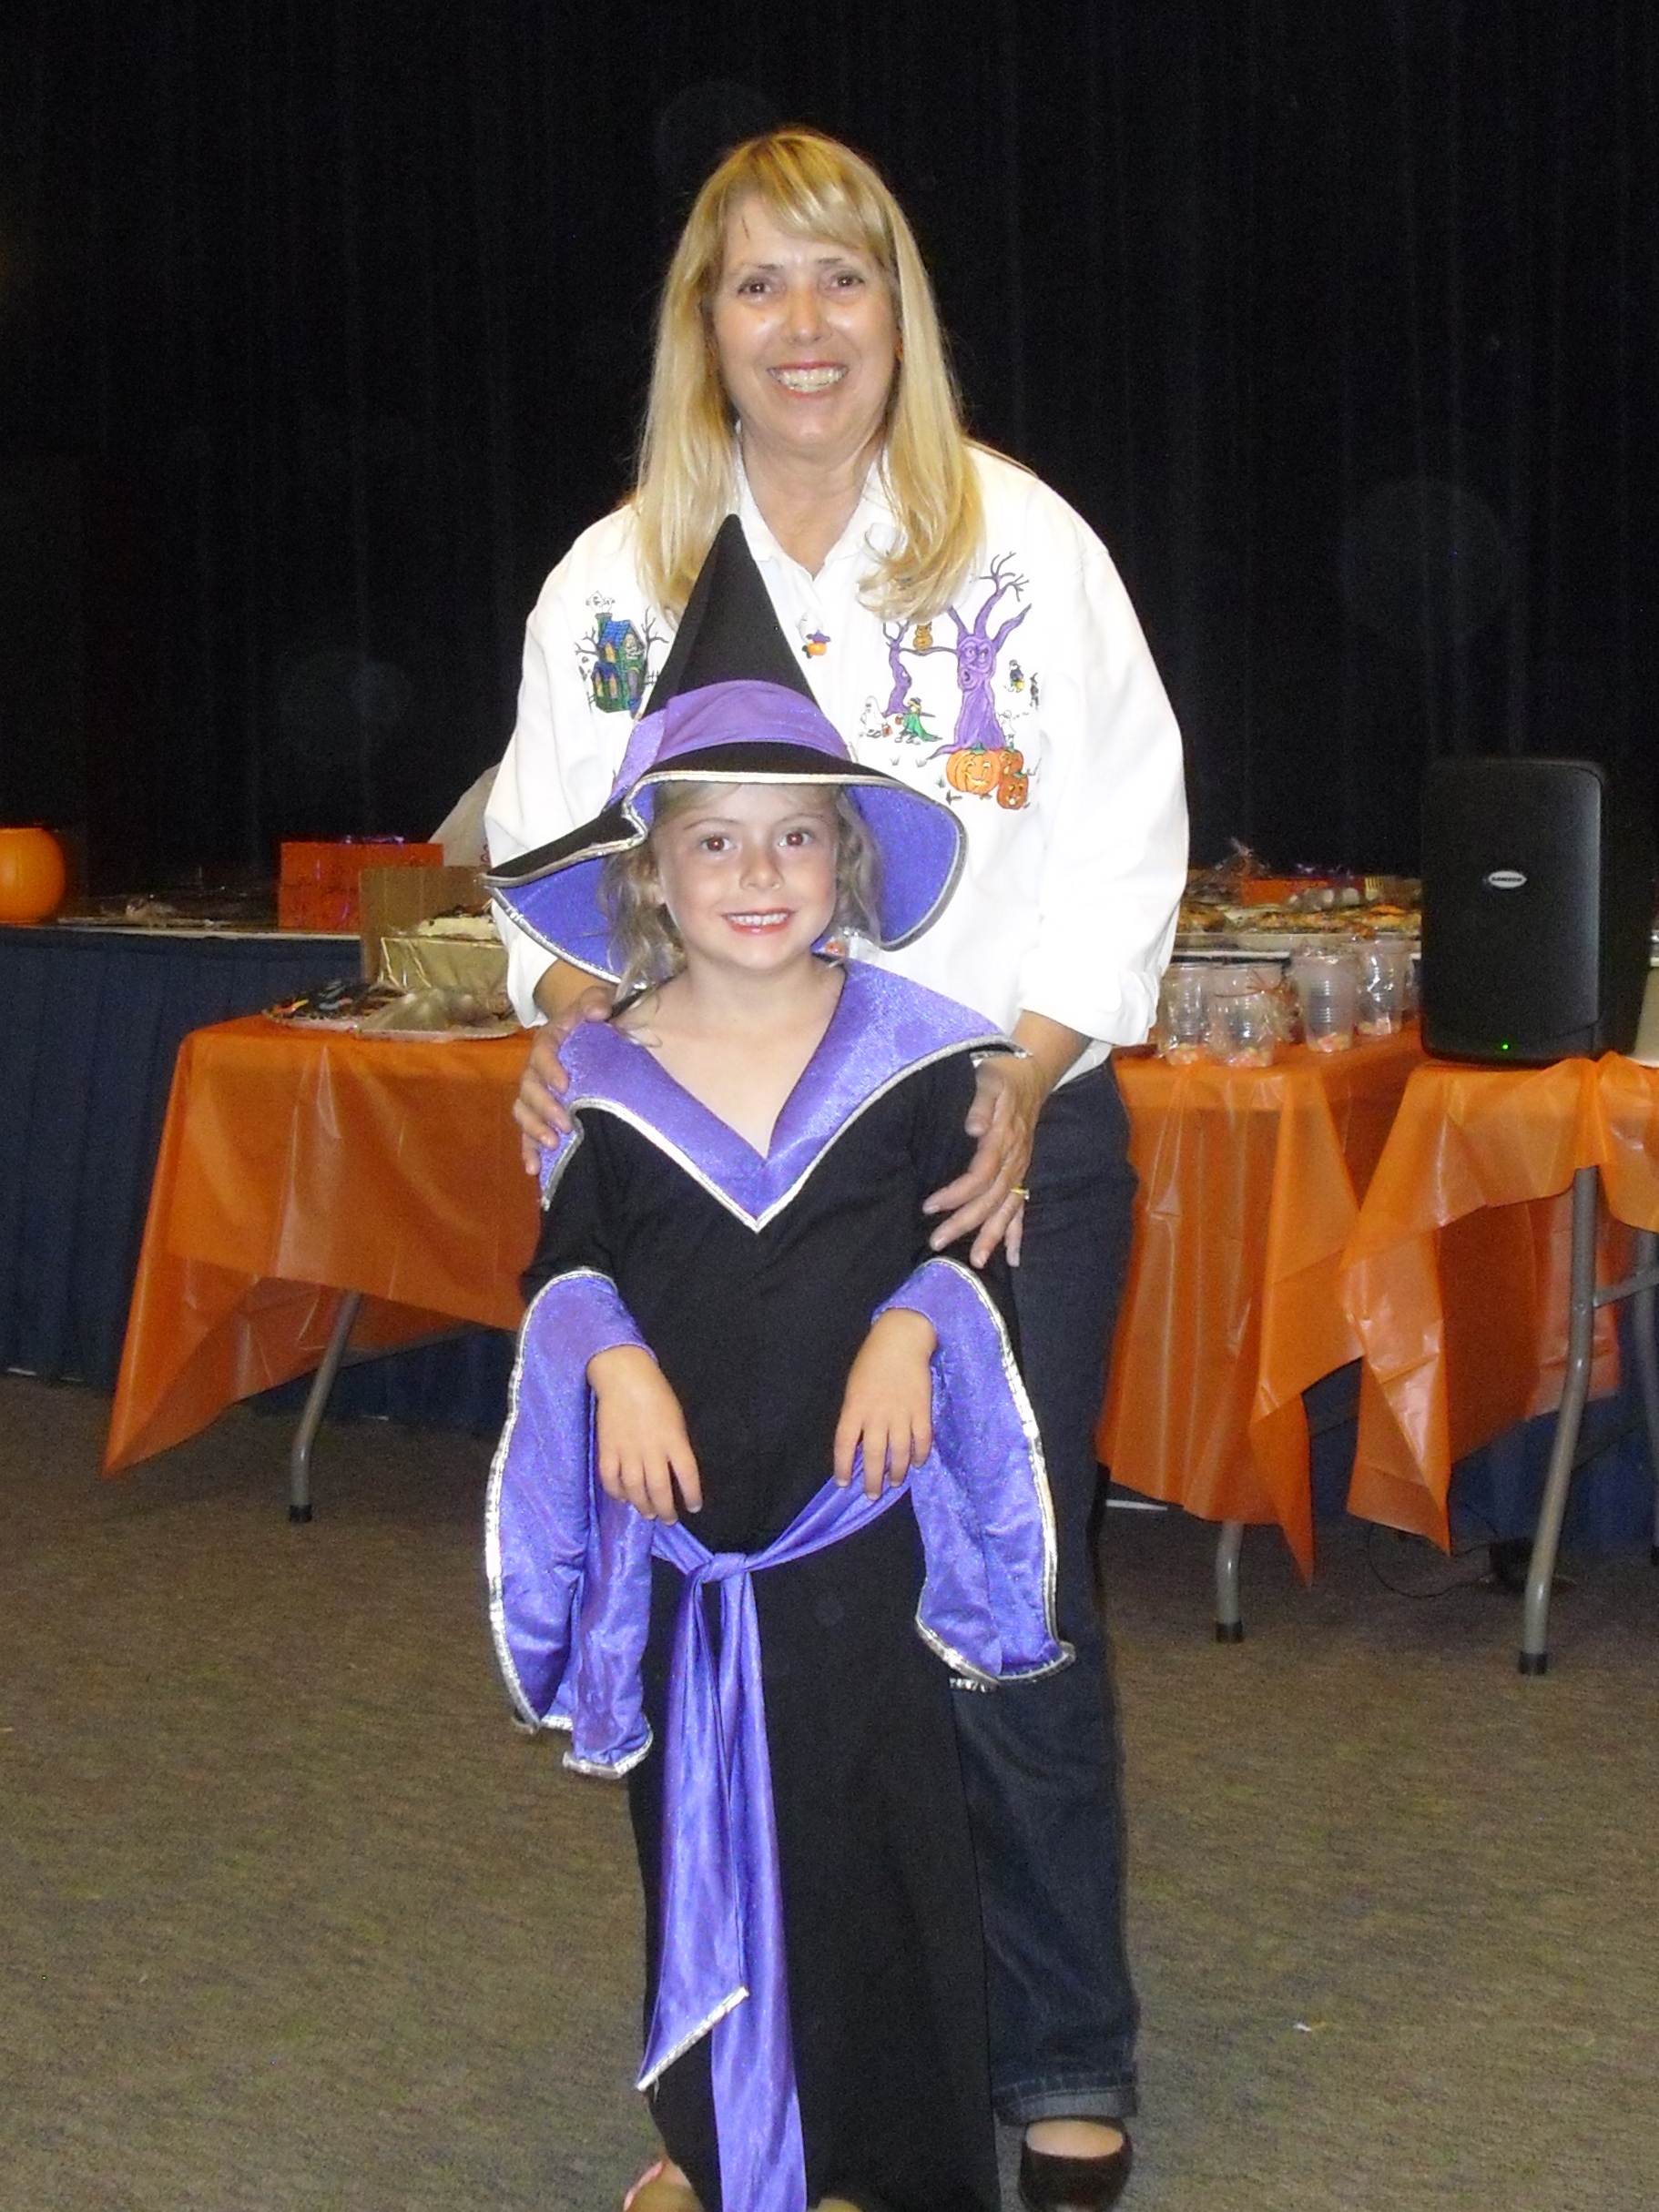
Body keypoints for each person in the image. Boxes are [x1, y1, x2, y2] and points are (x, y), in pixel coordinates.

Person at [486, 127, 1187, 2212]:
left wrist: (1026, 1073)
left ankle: (1053, 2048)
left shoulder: (1019, 546)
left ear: (901, 314)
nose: (803, 326)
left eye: (842, 277)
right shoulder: (612, 584)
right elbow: (546, 873)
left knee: (995, 1598)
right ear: (700, 328)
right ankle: (771, 2083)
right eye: (756, 283)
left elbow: (1126, 834)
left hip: (985, 1153)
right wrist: (575, 1038)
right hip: (722, 1186)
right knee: (752, 1632)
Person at [487, 634, 1072, 2212]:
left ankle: (879, 2161)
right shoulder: (601, 1077)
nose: (759, 873)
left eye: (796, 834)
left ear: (845, 859)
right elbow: (566, 1266)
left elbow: (970, 1247)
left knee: (875, 1848)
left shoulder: (918, 1060)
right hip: (689, 1551)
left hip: (852, 1542)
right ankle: (717, 2144)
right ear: (650, 876)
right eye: (715, 840)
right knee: (696, 1842)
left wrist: (911, 1323)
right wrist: (612, 1360)